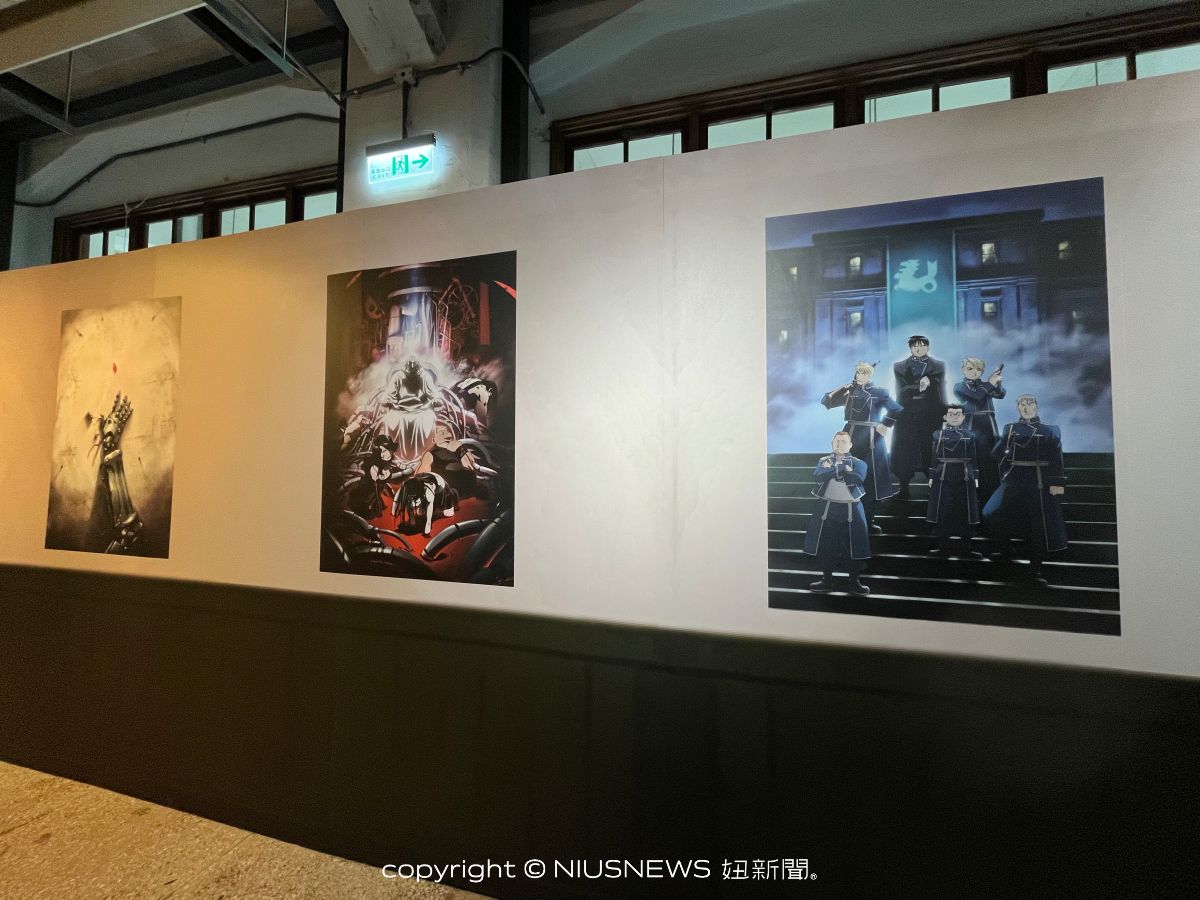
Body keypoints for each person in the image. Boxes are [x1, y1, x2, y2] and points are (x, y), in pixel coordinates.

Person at [982, 395, 1068, 585]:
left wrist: (1057, 486)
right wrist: (1005, 468)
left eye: (1030, 403)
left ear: (1036, 406)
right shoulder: (1010, 428)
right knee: (990, 512)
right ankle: (1006, 549)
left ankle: (1035, 569)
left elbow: (1057, 460)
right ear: (1018, 407)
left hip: (1039, 481)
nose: (1026, 406)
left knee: (1037, 526)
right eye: (1022, 403)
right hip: (1014, 479)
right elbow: (997, 453)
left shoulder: (1050, 430)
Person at [821, 362, 902, 533]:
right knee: (845, 475)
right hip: (849, 435)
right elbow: (826, 402)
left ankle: (868, 520)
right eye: (859, 372)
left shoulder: (880, 392)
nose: (862, 376)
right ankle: (845, 520)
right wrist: (844, 388)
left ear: (871, 375)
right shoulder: (850, 391)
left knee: (870, 479)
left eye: (865, 373)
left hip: (872, 438)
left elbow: (896, 409)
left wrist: (885, 424)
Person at [802, 431, 871, 595]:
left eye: (843, 441)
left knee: (854, 546)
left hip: (852, 509)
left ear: (850, 445)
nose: (839, 444)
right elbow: (818, 475)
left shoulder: (860, 463)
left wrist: (832, 470)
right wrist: (844, 470)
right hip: (827, 508)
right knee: (826, 545)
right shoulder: (823, 461)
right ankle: (826, 580)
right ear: (832, 444)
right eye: (837, 441)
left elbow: (858, 478)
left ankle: (854, 582)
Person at [891, 335, 946, 499]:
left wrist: (944, 412)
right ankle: (903, 488)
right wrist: (918, 387)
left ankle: (934, 487)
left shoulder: (939, 366)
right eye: (915, 345)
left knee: (931, 449)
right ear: (910, 348)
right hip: (907, 415)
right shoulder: (899, 366)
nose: (919, 348)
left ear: (928, 347)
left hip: (930, 415)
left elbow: (941, 392)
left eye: (922, 345)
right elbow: (901, 392)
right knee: (904, 450)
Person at [925, 405, 981, 558]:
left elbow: (974, 457)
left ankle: (967, 546)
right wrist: (932, 475)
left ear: (963, 417)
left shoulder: (970, 434)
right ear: (945, 417)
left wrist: (975, 477)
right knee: (943, 509)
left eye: (958, 414)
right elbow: (934, 456)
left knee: (965, 510)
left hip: (965, 474)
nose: (955, 417)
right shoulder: (938, 434)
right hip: (943, 474)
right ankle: (942, 546)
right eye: (951, 414)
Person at [953, 356, 1006, 504]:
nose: (974, 372)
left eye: (978, 369)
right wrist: (990, 383)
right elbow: (976, 397)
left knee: (992, 459)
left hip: (989, 425)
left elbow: (1000, 394)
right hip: (971, 425)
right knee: (972, 458)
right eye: (970, 368)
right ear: (963, 370)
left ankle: (992, 494)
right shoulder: (959, 386)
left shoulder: (985, 385)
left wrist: (997, 383)